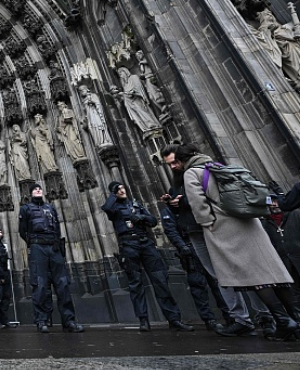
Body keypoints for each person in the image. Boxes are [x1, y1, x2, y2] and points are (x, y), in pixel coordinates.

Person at [162, 143, 299, 340]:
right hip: (249, 223)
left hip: (227, 228)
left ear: (183, 159)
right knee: (273, 274)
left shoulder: (192, 173)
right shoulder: (216, 166)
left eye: (176, 161)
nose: (174, 166)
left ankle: (282, 321)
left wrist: (209, 225)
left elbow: (199, 205)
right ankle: (294, 319)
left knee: (254, 278)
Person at [101, 181, 193, 332]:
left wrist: (142, 217)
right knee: (136, 284)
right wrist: (113, 192)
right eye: (119, 189)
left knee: (160, 281)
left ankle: (174, 319)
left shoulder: (137, 205)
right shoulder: (115, 209)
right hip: (129, 245)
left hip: (145, 244)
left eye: (123, 187)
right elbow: (106, 208)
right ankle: (143, 320)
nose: (122, 190)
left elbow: (153, 221)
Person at [159, 188, 228, 331]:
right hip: (189, 250)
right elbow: (171, 231)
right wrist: (182, 246)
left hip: (204, 245)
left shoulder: (189, 208)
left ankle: (230, 315)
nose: (177, 201)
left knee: (217, 282)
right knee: (198, 285)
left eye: (179, 198)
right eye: (174, 198)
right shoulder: (168, 213)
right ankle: (209, 319)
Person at [19, 184, 84, 333]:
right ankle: (42, 320)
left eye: (40, 189)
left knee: (63, 283)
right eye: (35, 189)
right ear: (30, 193)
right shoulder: (26, 209)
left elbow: (57, 227)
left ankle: (69, 321)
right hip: (37, 247)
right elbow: (22, 230)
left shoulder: (51, 208)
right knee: (40, 284)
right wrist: (34, 243)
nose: (38, 190)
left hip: (53, 247)